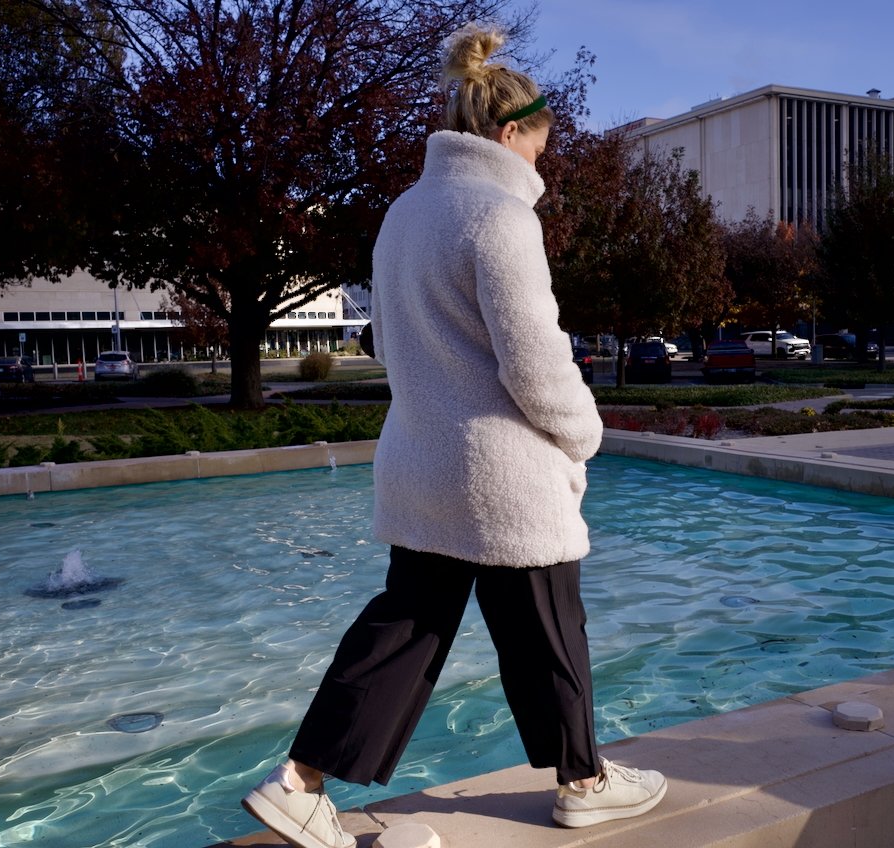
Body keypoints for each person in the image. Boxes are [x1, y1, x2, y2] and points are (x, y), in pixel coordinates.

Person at [240, 22, 666, 848]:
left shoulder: (404, 213)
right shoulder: (500, 215)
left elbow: (393, 345)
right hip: (501, 471)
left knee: (406, 625)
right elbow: (535, 364)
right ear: (510, 134)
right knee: (547, 625)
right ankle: (583, 781)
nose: (539, 167)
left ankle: (300, 780)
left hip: (420, 458)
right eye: (539, 150)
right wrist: (584, 434)